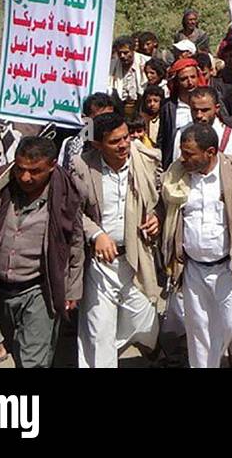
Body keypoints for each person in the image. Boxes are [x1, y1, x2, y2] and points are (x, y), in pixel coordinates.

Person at [0, 136, 83, 368]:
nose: (25, 177)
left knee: (33, 362)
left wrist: (72, 289)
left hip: (39, 290)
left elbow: (76, 242)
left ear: (51, 166)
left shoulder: (65, 195)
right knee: (17, 351)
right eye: (20, 169)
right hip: (0, 290)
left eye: (34, 171)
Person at [158, 123, 232, 368]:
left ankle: (224, 353)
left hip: (228, 265)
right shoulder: (177, 175)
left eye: (190, 153)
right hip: (193, 268)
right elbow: (163, 209)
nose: (184, 158)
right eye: (182, 152)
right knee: (198, 331)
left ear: (210, 152)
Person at [69, 111, 163, 368]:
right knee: (99, 332)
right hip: (100, 264)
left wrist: (156, 217)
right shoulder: (82, 166)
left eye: (125, 138)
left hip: (136, 258)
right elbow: (73, 211)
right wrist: (97, 234)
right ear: (98, 144)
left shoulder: (148, 159)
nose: (123, 145)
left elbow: (159, 200)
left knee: (144, 319)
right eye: (114, 142)